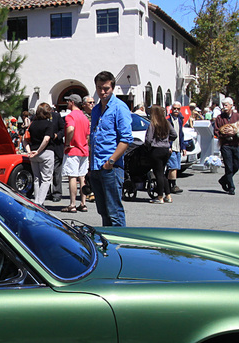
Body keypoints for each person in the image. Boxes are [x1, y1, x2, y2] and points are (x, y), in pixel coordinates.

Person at [88, 71, 133, 227]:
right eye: (99, 88)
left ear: (112, 87)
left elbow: (126, 139)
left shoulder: (120, 107)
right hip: (95, 166)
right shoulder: (95, 110)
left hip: (110, 167)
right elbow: (93, 137)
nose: (102, 92)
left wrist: (111, 161)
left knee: (114, 212)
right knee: (103, 211)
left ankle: (120, 246)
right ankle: (108, 244)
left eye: (106, 88)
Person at [61, 94, 89, 213]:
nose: (67, 103)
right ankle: (83, 203)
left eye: (68, 102)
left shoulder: (70, 116)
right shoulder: (85, 117)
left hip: (73, 150)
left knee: (72, 176)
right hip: (84, 149)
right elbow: (87, 135)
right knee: (82, 176)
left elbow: (70, 129)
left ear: (72, 102)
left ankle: (72, 204)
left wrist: (67, 143)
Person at [144, 104, 176, 203]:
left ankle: (160, 196)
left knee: (158, 173)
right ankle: (168, 195)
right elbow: (174, 134)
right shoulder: (166, 123)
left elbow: (148, 139)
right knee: (162, 173)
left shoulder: (153, 124)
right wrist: (168, 140)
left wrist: (148, 146)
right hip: (165, 149)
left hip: (156, 149)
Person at [213, 98, 239, 195]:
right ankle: (231, 187)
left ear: (231, 105)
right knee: (229, 166)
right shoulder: (219, 118)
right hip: (225, 145)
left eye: (226, 105)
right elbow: (216, 131)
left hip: (236, 144)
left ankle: (223, 179)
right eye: (223, 105)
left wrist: (236, 132)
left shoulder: (238, 117)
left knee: (236, 165)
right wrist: (225, 134)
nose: (224, 107)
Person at [26, 104, 55, 206]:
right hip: (45, 152)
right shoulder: (49, 124)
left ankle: (37, 201)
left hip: (33, 153)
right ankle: (39, 203)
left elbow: (25, 139)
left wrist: (29, 151)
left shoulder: (32, 124)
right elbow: (47, 139)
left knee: (37, 178)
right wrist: (39, 150)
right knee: (46, 179)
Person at [166, 103, 186, 194]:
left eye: (178, 109)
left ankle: (168, 184)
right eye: (174, 108)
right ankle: (173, 185)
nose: (176, 110)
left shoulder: (180, 120)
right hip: (171, 147)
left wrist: (183, 147)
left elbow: (181, 134)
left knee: (176, 167)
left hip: (178, 146)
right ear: (171, 109)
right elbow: (166, 134)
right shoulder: (168, 120)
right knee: (173, 166)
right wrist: (169, 145)